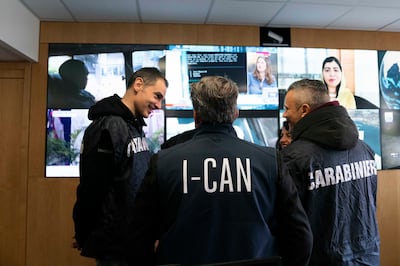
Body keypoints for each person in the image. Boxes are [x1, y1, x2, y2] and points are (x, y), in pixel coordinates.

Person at [129, 75, 312, 266]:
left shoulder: (163, 162)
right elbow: (300, 236)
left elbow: (138, 238)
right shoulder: (270, 161)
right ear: (235, 114)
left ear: (196, 115)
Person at [72, 67, 168, 266]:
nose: (158, 105)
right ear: (138, 84)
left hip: (135, 241)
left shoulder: (133, 126)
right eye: (157, 96)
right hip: (115, 247)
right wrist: (83, 230)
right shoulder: (108, 126)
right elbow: (92, 187)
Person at [281, 78, 380, 266]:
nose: (284, 114)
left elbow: (290, 226)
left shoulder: (293, 158)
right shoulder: (365, 150)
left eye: (287, 108)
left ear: (304, 110)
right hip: (369, 257)